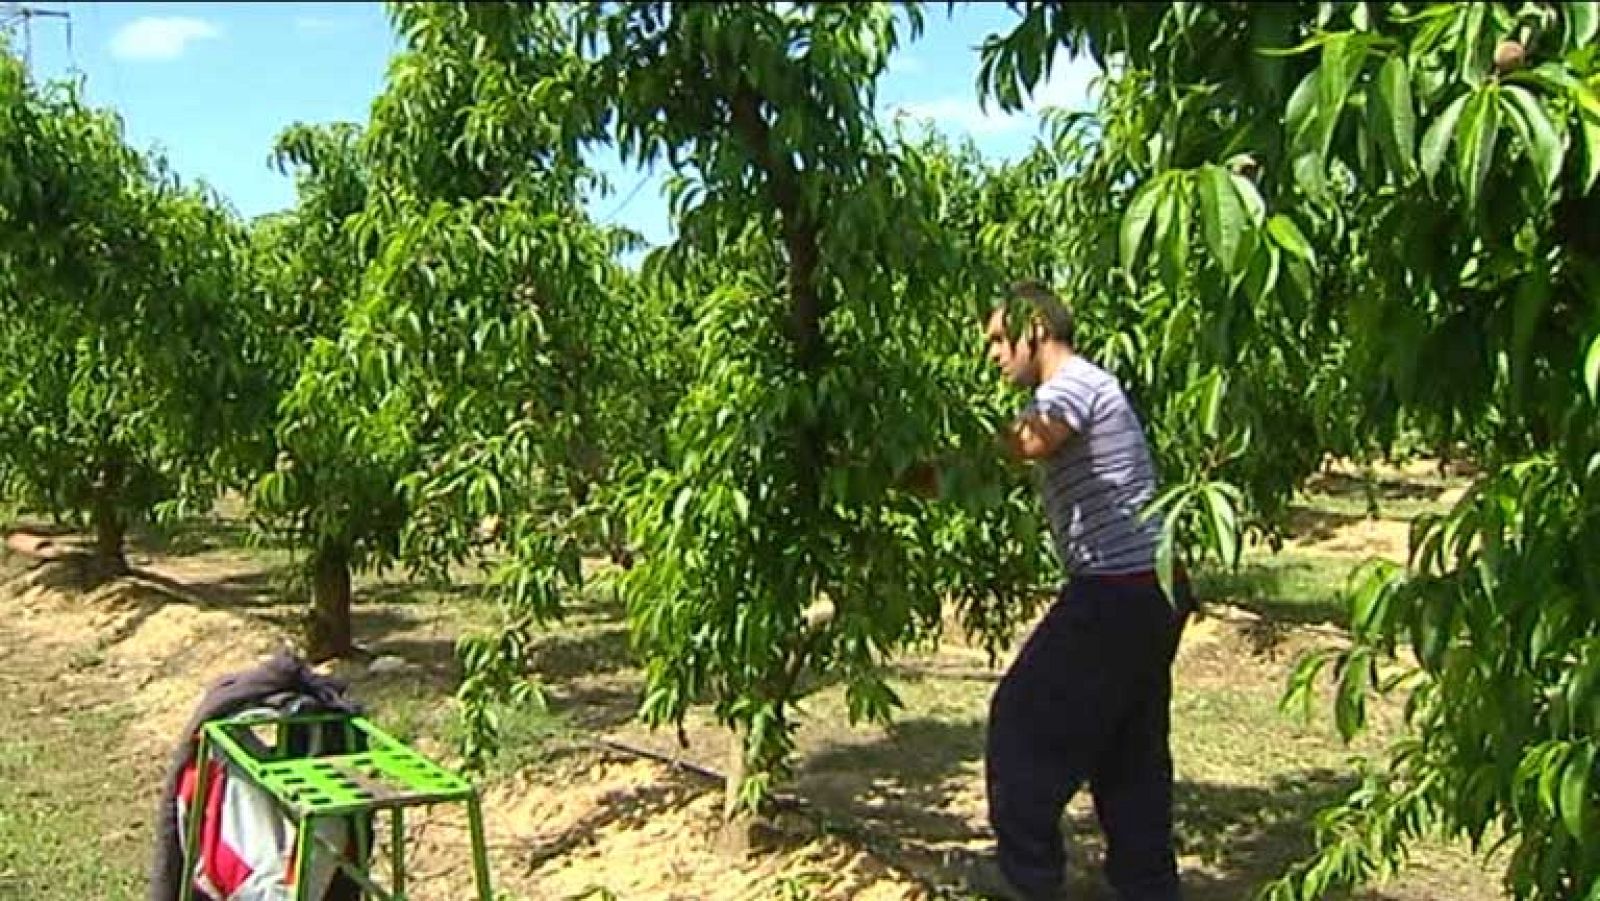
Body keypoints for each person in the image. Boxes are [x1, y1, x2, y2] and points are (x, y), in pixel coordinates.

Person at [958, 280, 1193, 900]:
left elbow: (1027, 442)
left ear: (1034, 328)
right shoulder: (1080, 387)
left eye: (998, 340)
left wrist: (917, 468)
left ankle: (1023, 877)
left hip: (1117, 589)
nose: (993, 355)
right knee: (1128, 748)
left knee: (1022, 723)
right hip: (1151, 589)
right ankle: (1147, 884)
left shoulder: (1073, 386)